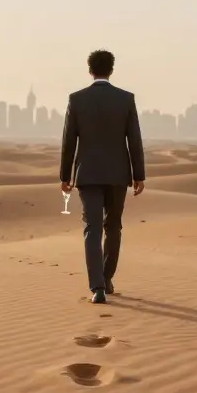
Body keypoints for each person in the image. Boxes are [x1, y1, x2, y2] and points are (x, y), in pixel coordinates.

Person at [59, 49, 146, 304]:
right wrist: (139, 175)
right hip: (118, 174)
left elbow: (68, 141)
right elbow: (135, 139)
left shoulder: (77, 99)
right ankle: (106, 278)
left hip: (87, 174)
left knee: (92, 228)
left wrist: (65, 175)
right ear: (111, 69)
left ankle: (96, 287)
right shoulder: (125, 99)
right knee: (114, 227)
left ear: (90, 70)